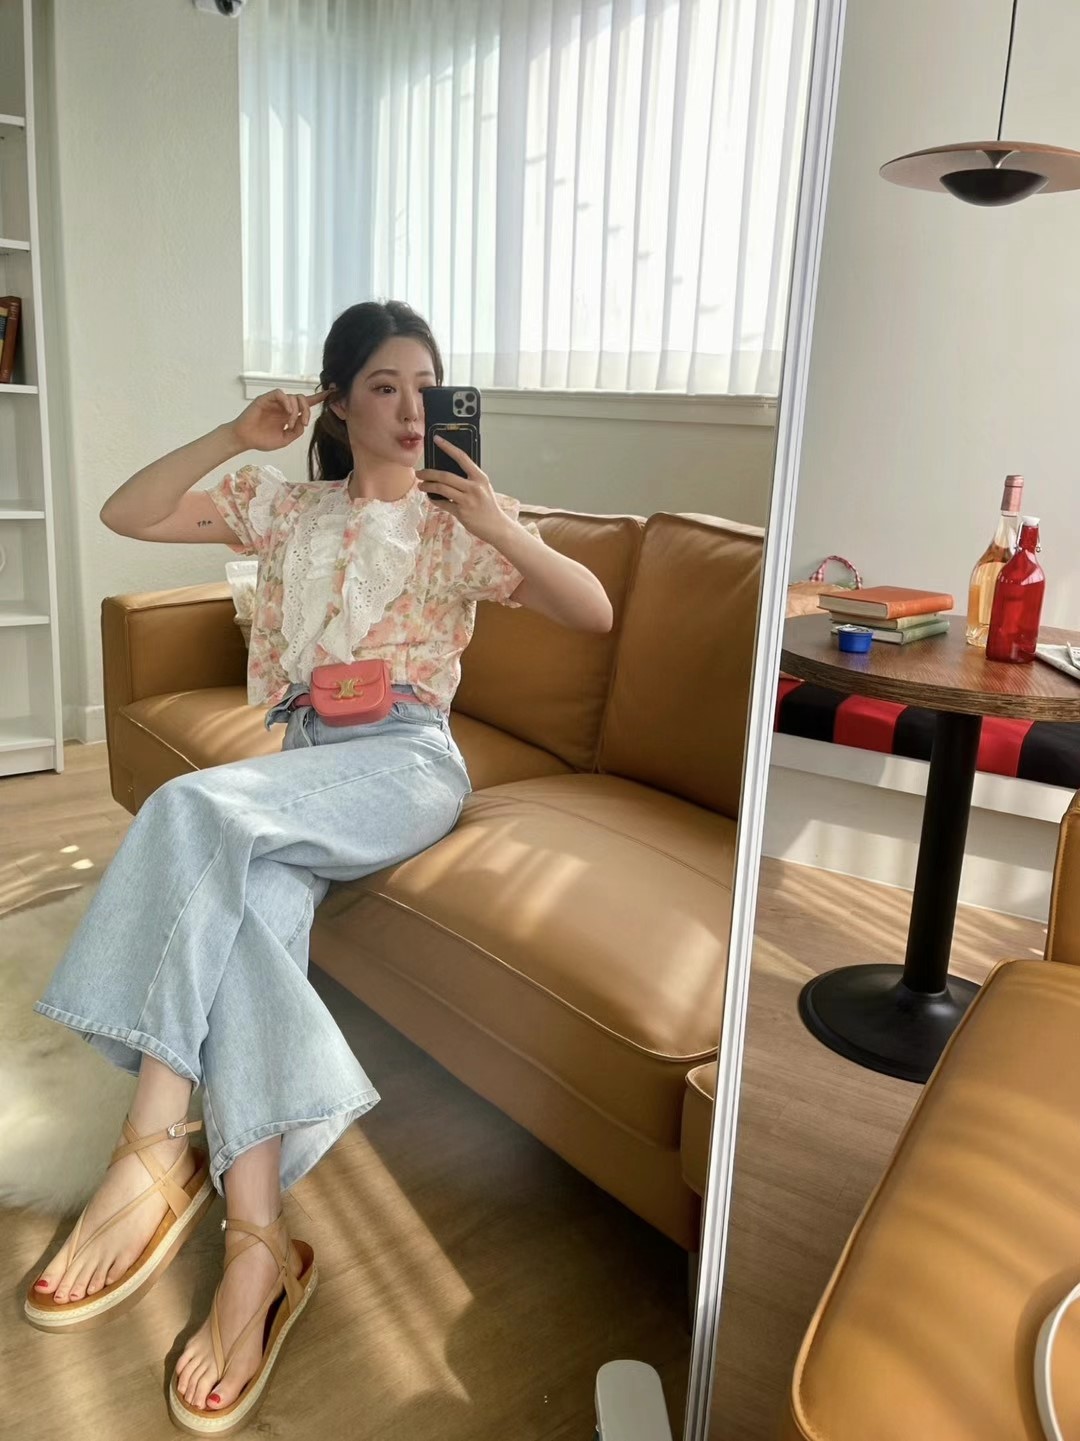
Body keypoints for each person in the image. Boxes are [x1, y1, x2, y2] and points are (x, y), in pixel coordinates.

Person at [24, 300, 613, 1431]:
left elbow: (592, 611)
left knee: (189, 805)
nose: (410, 408)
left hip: (406, 761)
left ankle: (152, 1146)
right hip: (305, 763)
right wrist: (233, 435)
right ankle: (262, 1248)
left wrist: (502, 523)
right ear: (338, 401)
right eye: (384, 385)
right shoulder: (287, 507)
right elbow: (125, 510)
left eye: (427, 386)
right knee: (246, 915)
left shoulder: (458, 526)